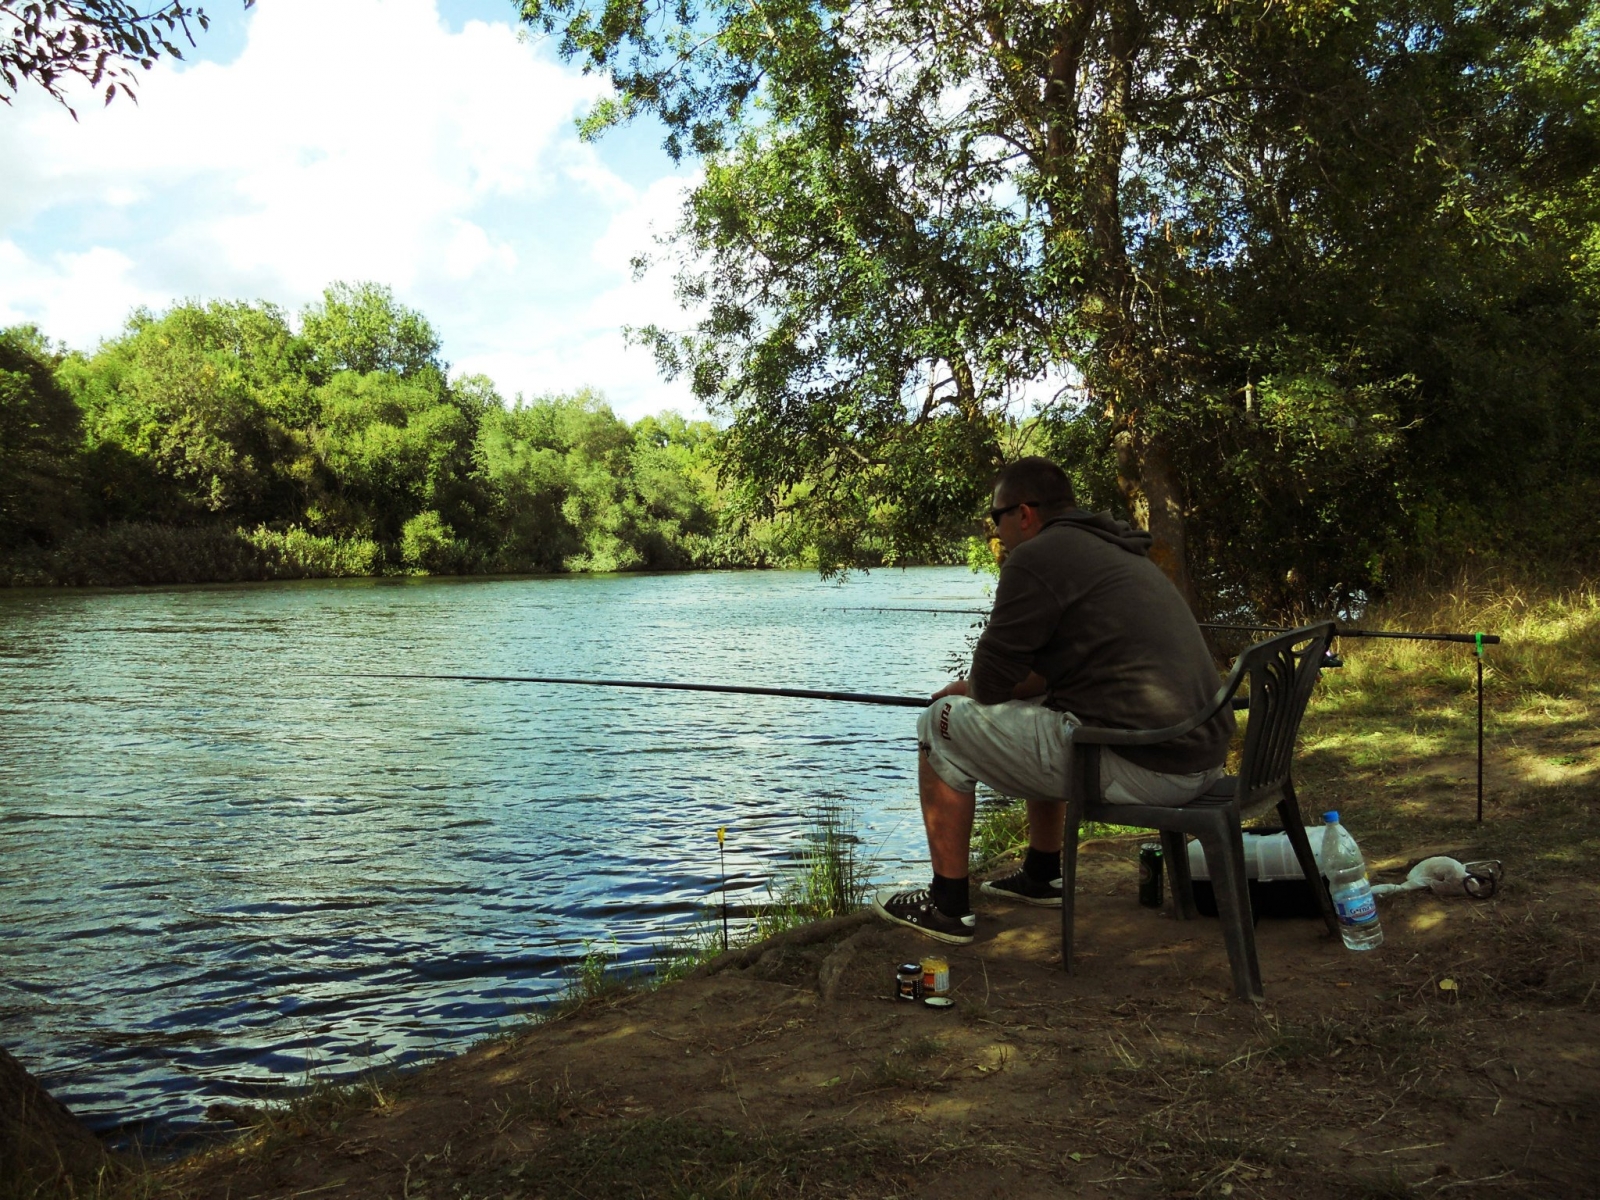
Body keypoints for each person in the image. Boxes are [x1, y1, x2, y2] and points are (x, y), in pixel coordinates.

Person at [872, 456, 1235, 944]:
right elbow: (1043, 677)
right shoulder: (1112, 547)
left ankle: (946, 906)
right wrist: (994, 688)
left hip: (1151, 767)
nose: (996, 532)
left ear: (1024, 513)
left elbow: (992, 683)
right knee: (1045, 704)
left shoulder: (1036, 557)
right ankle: (1042, 875)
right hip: (1198, 756)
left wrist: (969, 690)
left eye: (996, 517)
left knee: (940, 722)